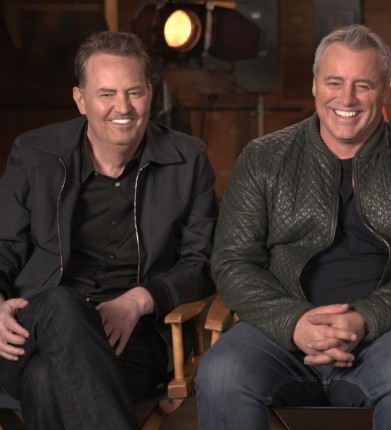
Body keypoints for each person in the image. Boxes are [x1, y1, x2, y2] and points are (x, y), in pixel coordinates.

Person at [196, 24, 391, 430]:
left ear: (385, 91)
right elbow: (232, 262)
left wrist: (364, 318)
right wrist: (294, 322)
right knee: (221, 375)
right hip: (277, 331)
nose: (347, 98)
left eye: (363, 85)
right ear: (315, 86)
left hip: (383, 333)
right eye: (334, 82)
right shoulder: (263, 157)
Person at [0, 31, 217, 429]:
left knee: (45, 381)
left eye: (134, 92)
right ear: (81, 99)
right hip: (28, 331)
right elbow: (3, 246)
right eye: (106, 94)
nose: (123, 107)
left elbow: (202, 262)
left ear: (149, 94)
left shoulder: (188, 159)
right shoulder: (34, 153)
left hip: (132, 340)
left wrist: (137, 301)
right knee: (62, 305)